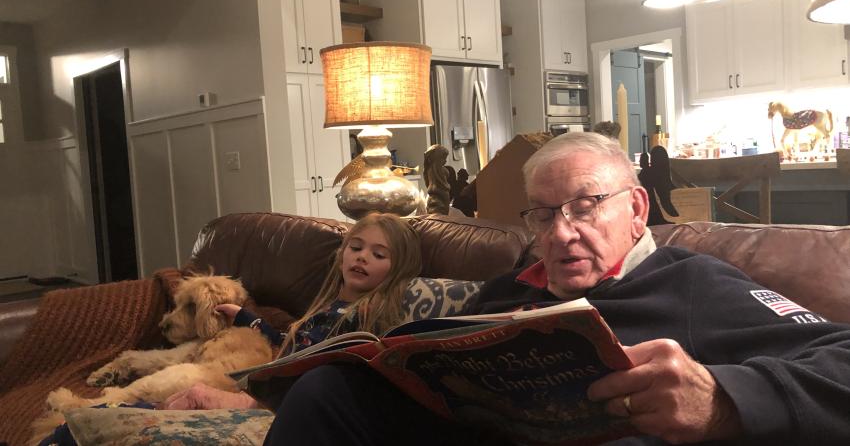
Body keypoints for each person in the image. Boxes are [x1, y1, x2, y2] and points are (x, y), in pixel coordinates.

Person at [263, 132, 850, 445]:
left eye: (587, 207)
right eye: (543, 215)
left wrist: (723, 397)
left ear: (637, 209)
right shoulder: (501, 293)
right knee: (328, 389)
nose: (563, 232)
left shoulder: (690, 282)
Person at [158, 212, 422, 410]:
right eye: (356, 248)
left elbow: (313, 371)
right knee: (173, 398)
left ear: (397, 269)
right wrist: (245, 317)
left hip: (280, 401)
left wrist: (247, 400)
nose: (362, 257)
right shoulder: (329, 306)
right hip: (271, 387)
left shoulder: (364, 315)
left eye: (378, 255)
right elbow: (293, 348)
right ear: (342, 255)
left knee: (195, 395)